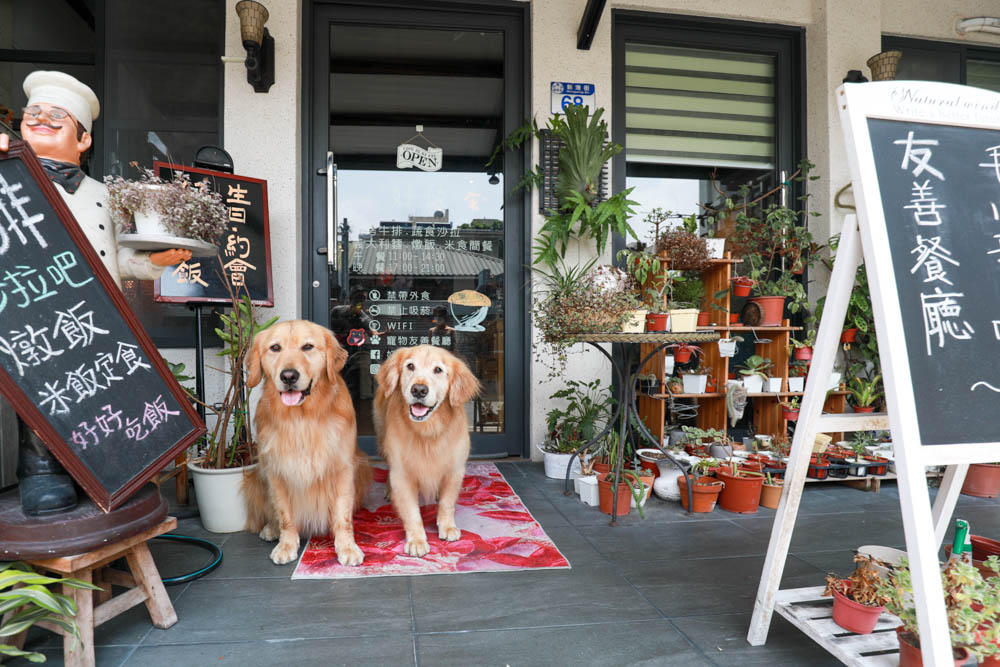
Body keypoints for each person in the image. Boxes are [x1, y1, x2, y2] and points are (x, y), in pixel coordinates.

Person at [0, 71, 192, 515]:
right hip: (33, 311)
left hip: (98, 314)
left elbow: (116, 256)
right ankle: (41, 470)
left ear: (83, 140)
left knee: (100, 388)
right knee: (42, 392)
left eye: (57, 117)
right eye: (35, 114)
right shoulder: (9, 179)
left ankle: (105, 465)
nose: (42, 120)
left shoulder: (104, 195)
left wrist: (153, 264)